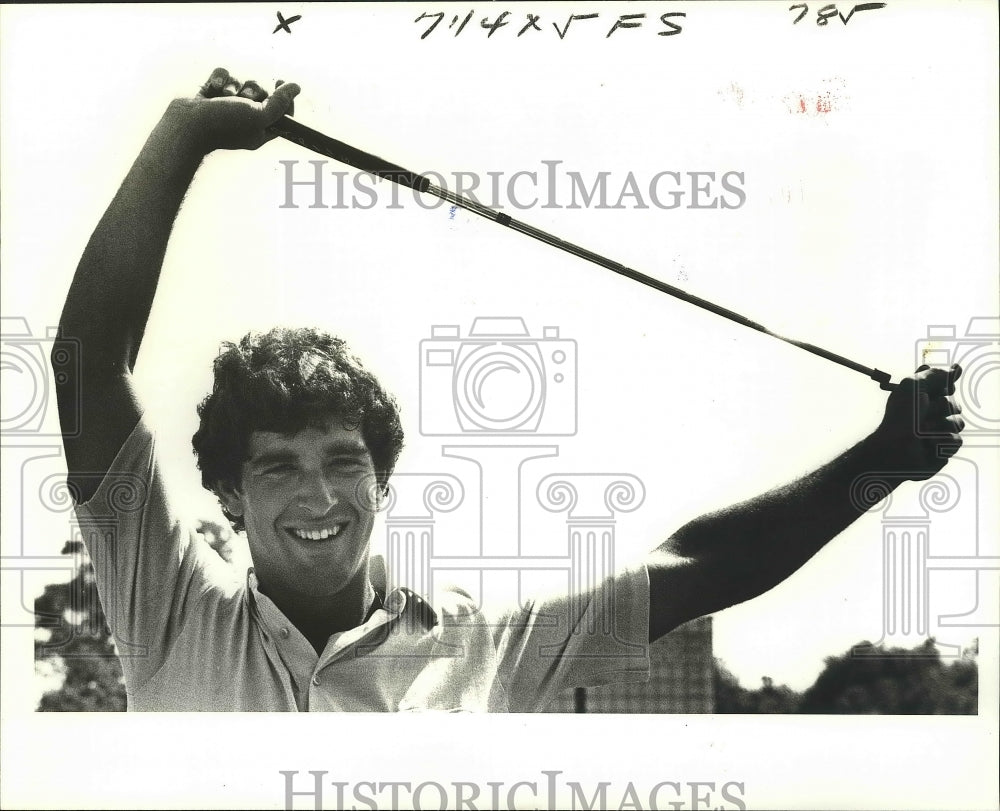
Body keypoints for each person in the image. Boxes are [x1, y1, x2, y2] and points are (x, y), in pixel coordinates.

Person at [53, 68, 965, 711]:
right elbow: (88, 364)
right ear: (228, 494)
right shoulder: (169, 610)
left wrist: (884, 460)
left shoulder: (480, 645)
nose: (321, 494)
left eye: (343, 460)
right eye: (280, 469)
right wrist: (185, 134)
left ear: (384, 479)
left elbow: (701, 567)